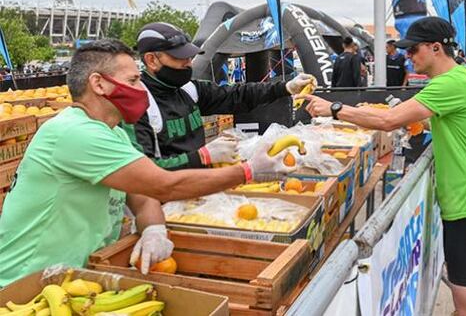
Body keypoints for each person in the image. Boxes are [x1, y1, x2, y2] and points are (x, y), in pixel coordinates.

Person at [0, 40, 290, 285]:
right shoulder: (75, 132)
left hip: (74, 275)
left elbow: (142, 194)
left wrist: (153, 229)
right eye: (132, 81)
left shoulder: (111, 132)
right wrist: (249, 171)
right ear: (99, 84)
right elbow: (163, 185)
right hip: (27, 283)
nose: (141, 89)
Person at [302, 17, 466, 316]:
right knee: (465, 305)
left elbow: (390, 120)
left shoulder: (451, 84)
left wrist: (334, 109)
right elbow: (421, 118)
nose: (408, 57)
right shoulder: (455, 81)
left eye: (413, 50)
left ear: (436, 48)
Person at [127, 22, 314, 171]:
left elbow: (236, 95)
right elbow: (144, 170)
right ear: (151, 60)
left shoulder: (188, 89)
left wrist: (286, 87)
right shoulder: (137, 106)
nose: (188, 63)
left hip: (201, 186)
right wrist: (202, 157)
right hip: (166, 201)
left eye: (189, 56)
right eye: (179, 57)